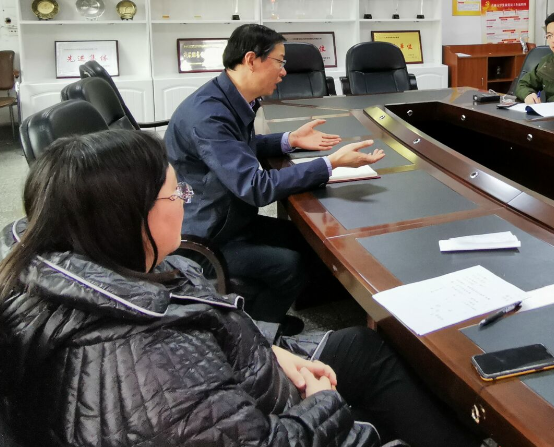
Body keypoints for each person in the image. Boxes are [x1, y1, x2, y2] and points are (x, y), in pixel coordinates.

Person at [0, 130, 481, 447]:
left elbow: (200, 317)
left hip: (243, 373)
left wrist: (270, 351)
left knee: (361, 346)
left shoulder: (83, 267)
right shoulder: (148, 363)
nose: (185, 200)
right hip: (272, 413)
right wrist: (323, 404)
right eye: (176, 192)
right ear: (127, 218)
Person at [165, 24, 385, 327]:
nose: (284, 71)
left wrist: (289, 140)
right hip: (208, 236)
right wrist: (330, 163)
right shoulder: (208, 116)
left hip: (230, 218)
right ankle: (258, 334)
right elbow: (256, 187)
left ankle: (272, 316)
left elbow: (236, 148)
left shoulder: (224, 97)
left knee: (308, 239)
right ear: (251, 60)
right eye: (279, 61)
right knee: (289, 265)